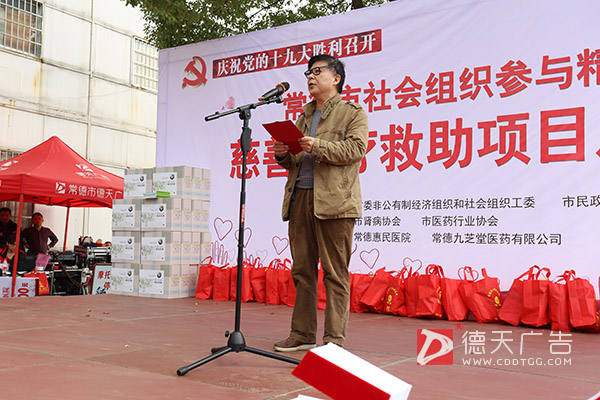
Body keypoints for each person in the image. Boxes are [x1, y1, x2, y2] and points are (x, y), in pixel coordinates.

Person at [272, 54, 368, 352]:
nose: (310, 77)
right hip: (300, 198)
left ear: (336, 78)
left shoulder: (352, 112)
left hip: (335, 203)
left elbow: (356, 149)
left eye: (317, 71)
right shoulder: (303, 116)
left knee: (335, 273)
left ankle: (334, 340)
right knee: (302, 271)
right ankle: (302, 333)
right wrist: (282, 154)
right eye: (308, 73)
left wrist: (319, 145)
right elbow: (295, 161)